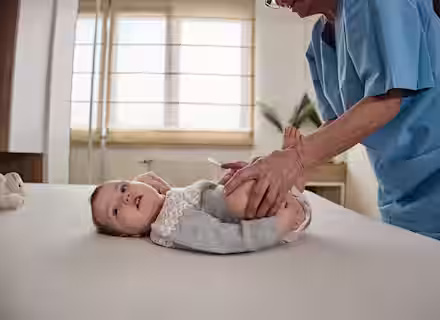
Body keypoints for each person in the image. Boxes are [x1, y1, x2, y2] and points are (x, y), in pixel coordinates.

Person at [223, 0, 440, 240]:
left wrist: (296, 159)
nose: (279, 0)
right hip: (398, 189)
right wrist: (276, 173)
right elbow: (340, 124)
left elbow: (386, 101)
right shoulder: (320, 41)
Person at [89, 169, 311, 254]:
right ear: (130, 235)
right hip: (278, 216)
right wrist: (276, 227)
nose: (125, 197)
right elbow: (222, 238)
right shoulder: (169, 225)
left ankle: (293, 172)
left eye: (123, 188)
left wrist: (224, 182)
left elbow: (204, 201)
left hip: (269, 197)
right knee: (235, 197)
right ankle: (293, 186)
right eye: (116, 210)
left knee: (246, 174)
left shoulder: (168, 199)